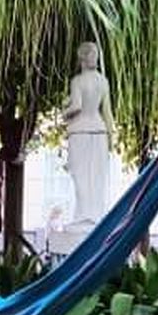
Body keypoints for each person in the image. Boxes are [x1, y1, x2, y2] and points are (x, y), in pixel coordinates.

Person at [63, 41, 113, 224]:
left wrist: (64, 111)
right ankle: (95, 216)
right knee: (96, 177)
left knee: (80, 175)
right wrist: (111, 137)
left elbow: (76, 107)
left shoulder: (77, 81)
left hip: (81, 131)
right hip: (99, 131)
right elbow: (107, 112)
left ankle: (83, 215)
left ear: (81, 59)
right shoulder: (103, 81)